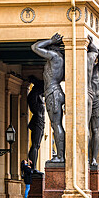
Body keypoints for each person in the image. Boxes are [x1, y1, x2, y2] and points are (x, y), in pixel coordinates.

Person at [31, 33, 65, 162]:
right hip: (55, 91)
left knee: (56, 125)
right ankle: (61, 156)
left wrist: (50, 40)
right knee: (57, 125)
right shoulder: (59, 58)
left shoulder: (54, 56)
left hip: (53, 93)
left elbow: (35, 47)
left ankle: (61, 157)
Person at [87, 37, 99, 166]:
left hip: (97, 100)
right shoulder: (86, 66)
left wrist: (96, 47)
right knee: (86, 128)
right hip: (88, 97)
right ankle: (87, 157)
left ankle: (94, 158)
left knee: (95, 129)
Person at [27, 75, 45, 172]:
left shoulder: (39, 96)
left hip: (41, 122)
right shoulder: (33, 95)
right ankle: (32, 167)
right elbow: (34, 107)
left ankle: (34, 166)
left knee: (37, 145)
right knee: (35, 145)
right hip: (37, 121)